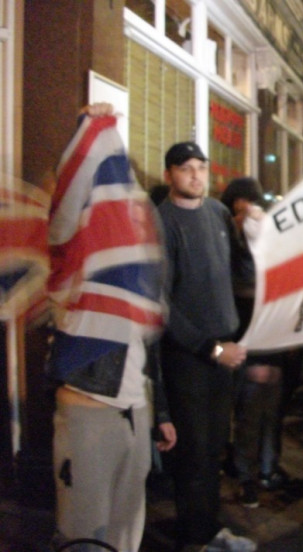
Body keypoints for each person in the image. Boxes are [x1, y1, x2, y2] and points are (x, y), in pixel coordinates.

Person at [48, 103, 177, 552]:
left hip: (134, 410)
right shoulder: (79, 249)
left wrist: (157, 411)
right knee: (85, 537)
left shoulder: (136, 264)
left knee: (126, 536)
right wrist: (89, 129)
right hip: (90, 410)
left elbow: (148, 348)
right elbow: (70, 201)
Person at [157, 142, 256, 551]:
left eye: (201, 167)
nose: (196, 176)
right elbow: (161, 308)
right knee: (194, 455)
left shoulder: (217, 212)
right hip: (191, 360)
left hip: (224, 355)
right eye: (186, 169)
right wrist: (212, 351)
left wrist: (250, 235)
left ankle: (209, 531)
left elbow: (241, 272)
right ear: (170, 175)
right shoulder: (161, 223)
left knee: (214, 448)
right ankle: (195, 538)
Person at [221, 176, 288, 508]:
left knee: (262, 412)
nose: (248, 212)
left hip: (258, 342)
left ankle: (260, 470)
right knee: (254, 414)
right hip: (252, 344)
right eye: (241, 205)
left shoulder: (246, 238)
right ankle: (252, 475)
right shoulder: (240, 241)